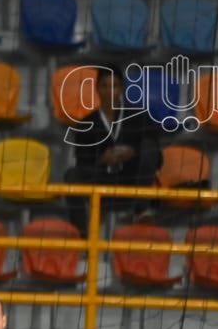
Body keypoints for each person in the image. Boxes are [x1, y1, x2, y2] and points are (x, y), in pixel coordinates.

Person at [62, 66, 163, 235]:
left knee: (148, 147)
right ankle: (83, 235)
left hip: (132, 181)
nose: (110, 91)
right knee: (71, 176)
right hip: (102, 181)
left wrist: (133, 152)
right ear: (97, 89)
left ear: (121, 88)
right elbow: (82, 163)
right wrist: (102, 160)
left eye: (114, 86)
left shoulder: (140, 117)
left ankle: (142, 210)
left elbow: (157, 158)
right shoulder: (86, 124)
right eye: (104, 86)